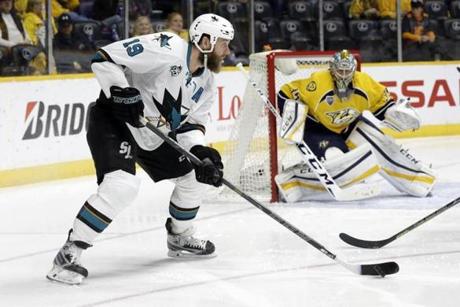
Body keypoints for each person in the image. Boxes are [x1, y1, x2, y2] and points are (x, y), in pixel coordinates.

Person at [46, 13, 234, 285]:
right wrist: (121, 91)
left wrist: (200, 153)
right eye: (223, 44)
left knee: (194, 175)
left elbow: (190, 125)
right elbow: (104, 58)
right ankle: (69, 254)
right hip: (116, 120)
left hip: (153, 133)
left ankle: (179, 236)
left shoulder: (207, 82)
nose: (228, 51)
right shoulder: (167, 46)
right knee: (122, 186)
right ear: (206, 41)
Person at [275, 49, 436, 202]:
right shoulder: (318, 83)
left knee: (381, 142)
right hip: (318, 130)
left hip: (349, 125)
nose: (344, 75)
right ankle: (292, 182)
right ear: (332, 70)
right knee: (338, 163)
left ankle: (417, 179)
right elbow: (285, 93)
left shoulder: (364, 83)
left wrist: (393, 113)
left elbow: (382, 106)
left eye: (347, 71)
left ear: (354, 70)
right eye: (340, 71)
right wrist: (292, 115)